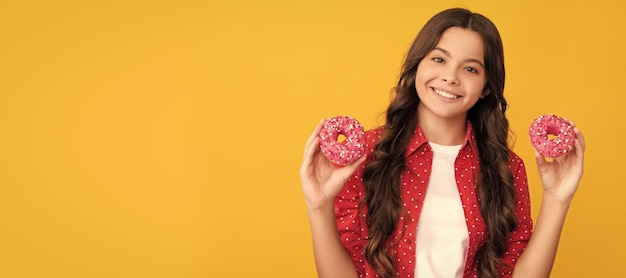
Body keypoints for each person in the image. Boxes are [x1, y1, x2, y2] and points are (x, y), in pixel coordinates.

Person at [299, 7, 585, 278]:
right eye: (439, 59)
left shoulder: (506, 168)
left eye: (470, 69)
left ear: (487, 86)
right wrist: (318, 206)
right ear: (417, 66)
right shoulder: (367, 156)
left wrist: (557, 200)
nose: (450, 77)